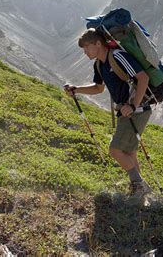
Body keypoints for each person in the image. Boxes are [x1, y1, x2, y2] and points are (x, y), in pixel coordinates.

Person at [64, 28, 152, 200]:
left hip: (136, 110)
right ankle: (139, 193)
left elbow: (143, 78)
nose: (85, 52)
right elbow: (98, 88)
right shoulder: (99, 64)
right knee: (129, 152)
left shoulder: (117, 56)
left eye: (87, 47)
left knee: (115, 150)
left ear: (98, 43)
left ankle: (139, 186)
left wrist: (133, 105)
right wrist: (77, 90)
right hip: (126, 111)